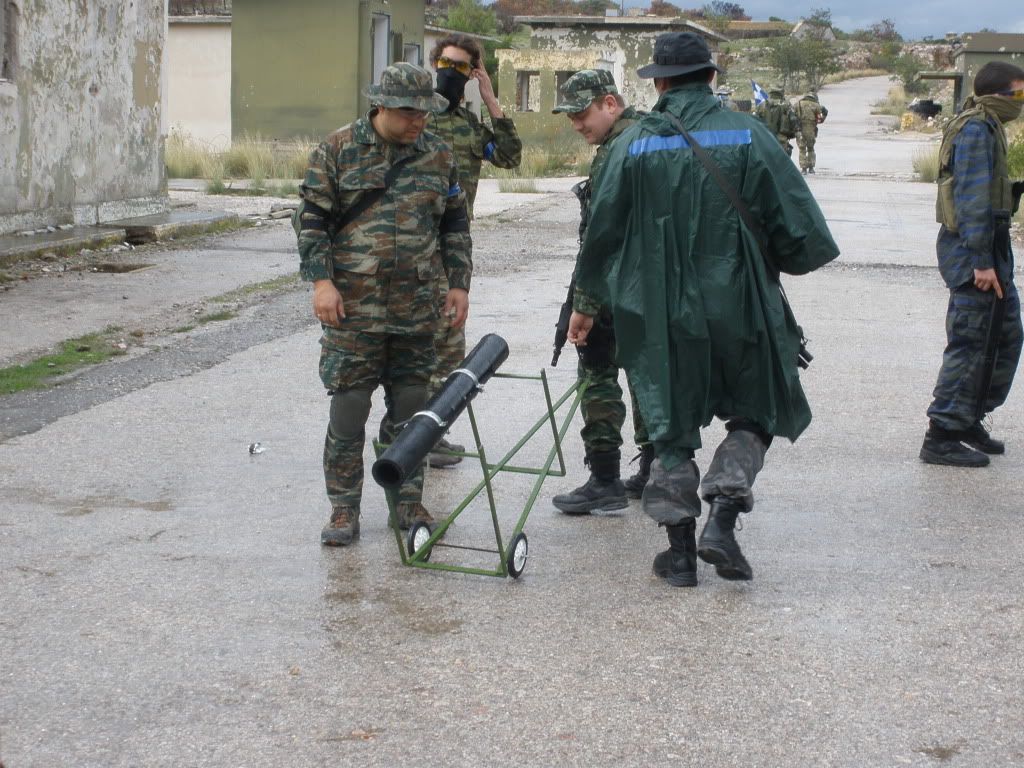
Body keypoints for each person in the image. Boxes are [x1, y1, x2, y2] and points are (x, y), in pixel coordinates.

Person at [569, 32, 839, 587]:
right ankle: (723, 518)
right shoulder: (750, 134)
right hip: (741, 302)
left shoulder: (631, 145)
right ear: (711, 76)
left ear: (659, 83)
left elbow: (601, 236)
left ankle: (681, 556)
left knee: (669, 429)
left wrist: (586, 303)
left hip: (657, 311)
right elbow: (802, 235)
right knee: (757, 410)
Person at [297, 63, 473, 546]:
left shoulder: (438, 154)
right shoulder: (337, 150)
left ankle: (408, 502)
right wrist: (321, 283)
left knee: (414, 411)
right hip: (354, 309)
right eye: (410, 112)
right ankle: (343, 508)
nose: (419, 121)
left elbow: (454, 225)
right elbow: (312, 222)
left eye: (425, 112)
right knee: (349, 410)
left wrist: (459, 284)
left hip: (418, 307)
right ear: (381, 106)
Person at [547, 69, 652, 515]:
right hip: (650, 285)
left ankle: (606, 479)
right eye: (570, 117)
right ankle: (656, 470)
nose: (576, 124)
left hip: (613, 285)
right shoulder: (650, 137)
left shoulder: (617, 151)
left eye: (581, 114)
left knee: (596, 373)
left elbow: (603, 233)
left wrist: (584, 302)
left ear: (610, 103)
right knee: (648, 376)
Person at [419, 34, 523, 468]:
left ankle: (430, 434)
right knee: (411, 342)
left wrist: (491, 100)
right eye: (445, 63)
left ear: (473, 72)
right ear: (434, 64)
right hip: (409, 246)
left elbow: (509, 157)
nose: (450, 72)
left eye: (461, 66)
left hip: (451, 248)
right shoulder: (415, 116)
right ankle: (407, 432)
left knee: (448, 342)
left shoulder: (469, 127)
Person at [920, 61, 1024, 467]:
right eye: (1018, 94)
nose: (1021, 102)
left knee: (1003, 337)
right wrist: (981, 261)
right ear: (997, 94)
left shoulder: (988, 125)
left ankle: (967, 419)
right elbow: (972, 198)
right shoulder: (977, 129)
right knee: (971, 342)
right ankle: (941, 434)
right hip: (974, 253)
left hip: (989, 248)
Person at [754, 86, 799, 156]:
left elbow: (754, 121)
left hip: (765, 138)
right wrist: (796, 132)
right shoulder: (786, 105)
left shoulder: (761, 105)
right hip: (781, 139)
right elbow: (793, 120)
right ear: (781, 94)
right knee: (782, 159)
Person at [795, 91, 828, 174]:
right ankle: (811, 168)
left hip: (800, 129)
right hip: (811, 130)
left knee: (802, 149)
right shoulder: (816, 105)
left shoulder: (798, 104)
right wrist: (824, 116)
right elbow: (821, 117)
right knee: (811, 148)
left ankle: (803, 169)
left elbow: (792, 115)